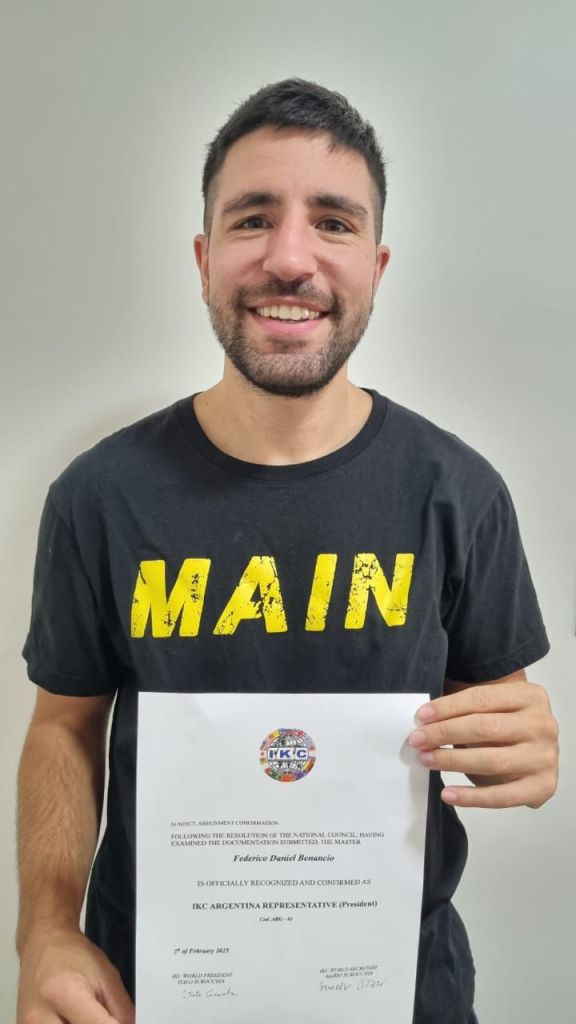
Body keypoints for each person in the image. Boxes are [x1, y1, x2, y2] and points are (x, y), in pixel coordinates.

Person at [16, 79, 558, 1024]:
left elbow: (495, 723)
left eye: (334, 222)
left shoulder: (460, 492)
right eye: (253, 218)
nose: (291, 258)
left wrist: (526, 753)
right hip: (150, 994)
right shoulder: (99, 496)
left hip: (401, 994)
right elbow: (63, 727)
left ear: (376, 267)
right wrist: (46, 930)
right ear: (204, 259)